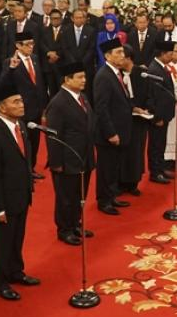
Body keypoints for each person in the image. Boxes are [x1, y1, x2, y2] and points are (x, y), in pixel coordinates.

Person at [0, 84, 39, 301]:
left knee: (17, 238)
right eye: (16, 102)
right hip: (4, 200)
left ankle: (15, 271)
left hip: (21, 195)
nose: (21, 105)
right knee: (0, 243)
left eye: (21, 101)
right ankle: (0, 282)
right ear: (2, 107)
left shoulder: (21, 126)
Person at [45, 62, 96, 246]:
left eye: (84, 76)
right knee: (66, 197)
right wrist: (56, 163)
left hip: (84, 156)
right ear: (67, 80)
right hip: (67, 159)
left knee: (80, 195)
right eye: (79, 77)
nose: (84, 80)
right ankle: (64, 229)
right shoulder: (58, 103)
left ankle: (75, 223)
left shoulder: (82, 97)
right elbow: (53, 136)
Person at [0, 31, 47, 178]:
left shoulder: (35, 59)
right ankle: (23, 171)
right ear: (17, 46)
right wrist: (11, 68)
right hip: (21, 108)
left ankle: (31, 169)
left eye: (32, 44)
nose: (31, 47)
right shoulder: (10, 62)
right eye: (27, 44)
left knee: (35, 140)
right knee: (24, 141)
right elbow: (1, 84)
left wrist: (44, 103)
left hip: (37, 107)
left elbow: (39, 83)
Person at [93, 38, 133, 216]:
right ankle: (104, 200)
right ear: (108, 56)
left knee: (114, 167)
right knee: (106, 168)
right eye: (118, 53)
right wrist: (110, 133)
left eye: (122, 52)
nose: (122, 56)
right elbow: (101, 108)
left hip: (120, 129)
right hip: (108, 134)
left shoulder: (116, 73)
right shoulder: (103, 76)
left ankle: (112, 195)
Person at [118, 44, 153, 196]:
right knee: (124, 152)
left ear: (129, 58)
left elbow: (150, 94)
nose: (119, 60)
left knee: (137, 151)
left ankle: (133, 183)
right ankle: (121, 182)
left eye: (121, 56)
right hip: (124, 118)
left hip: (140, 119)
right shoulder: (117, 74)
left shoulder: (142, 73)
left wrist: (145, 109)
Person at [147, 41, 176, 184]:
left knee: (161, 143)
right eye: (170, 54)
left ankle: (161, 167)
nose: (172, 57)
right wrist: (156, 116)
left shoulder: (162, 67)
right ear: (163, 54)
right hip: (158, 116)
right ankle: (155, 172)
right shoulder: (154, 70)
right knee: (155, 144)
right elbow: (152, 96)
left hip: (165, 114)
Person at [60, 10, 96, 98]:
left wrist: (82, 64)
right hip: (70, 66)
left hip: (86, 66)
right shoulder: (65, 30)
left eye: (81, 18)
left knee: (86, 91)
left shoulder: (91, 30)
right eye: (77, 18)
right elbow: (65, 48)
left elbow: (91, 49)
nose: (79, 20)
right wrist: (74, 63)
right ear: (72, 18)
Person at [40, 8, 65, 98]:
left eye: (57, 18)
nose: (55, 20)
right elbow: (41, 44)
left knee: (62, 89)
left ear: (61, 19)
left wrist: (57, 54)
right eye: (53, 18)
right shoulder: (44, 30)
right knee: (51, 90)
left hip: (61, 64)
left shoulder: (67, 30)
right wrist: (48, 53)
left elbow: (67, 45)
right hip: (48, 65)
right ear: (50, 19)